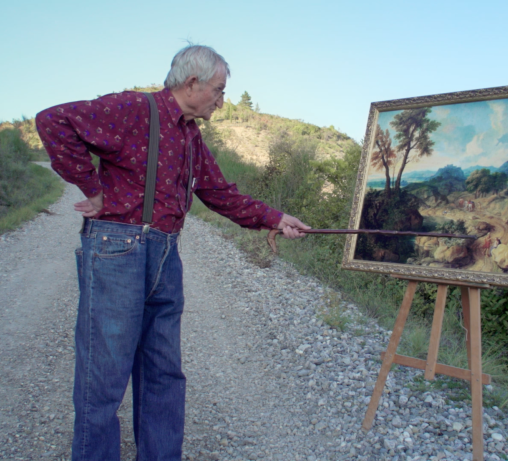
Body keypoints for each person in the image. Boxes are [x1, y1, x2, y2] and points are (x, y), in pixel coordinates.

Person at [35, 44, 309, 460]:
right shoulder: (132, 108)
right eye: (218, 90)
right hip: (116, 249)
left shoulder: (190, 135)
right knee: (104, 376)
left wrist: (276, 218)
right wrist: (91, 188)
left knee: (164, 371)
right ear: (192, 82)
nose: (221, 99)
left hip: (165, 253)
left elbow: (218, 191)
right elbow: (52, 121)